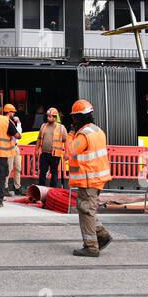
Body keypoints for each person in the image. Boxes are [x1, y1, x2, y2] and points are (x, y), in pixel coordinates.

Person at [66, 100, 112, 257]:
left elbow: (70, 151)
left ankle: (91, 246)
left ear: (79, 118)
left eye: (74, 118)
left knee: (86, 210)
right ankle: (102, 235)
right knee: (88, 209)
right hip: (97, 178)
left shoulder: (83, 134)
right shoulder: (97, 130)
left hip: (88, 179)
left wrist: (71, 134)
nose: (73, 121)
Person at [36, 107, 68, 187]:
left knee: (54, 172)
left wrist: (67, 153)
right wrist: (36, 149)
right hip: (44, 153)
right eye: (47, 116)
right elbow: (39, 139)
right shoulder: (43, 126)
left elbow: (66, 141)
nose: (48, 118)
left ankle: (52, 189)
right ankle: (41, 188)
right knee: (42, 172)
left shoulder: (61, 128)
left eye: (50, 116)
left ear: (55, 117)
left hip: (55, 154)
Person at [5, 108, 25, 196]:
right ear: (8, 112)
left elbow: (18, 133)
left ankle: (17, 187)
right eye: (12, 112)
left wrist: (19, 123)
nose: (13, 114)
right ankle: (4, 187)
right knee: (8, 168)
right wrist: (19, 124)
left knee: (18, 167)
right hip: (9, 147)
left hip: (15, 146)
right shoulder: (6, 122)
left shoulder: (12, 122)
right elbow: (17, 135)